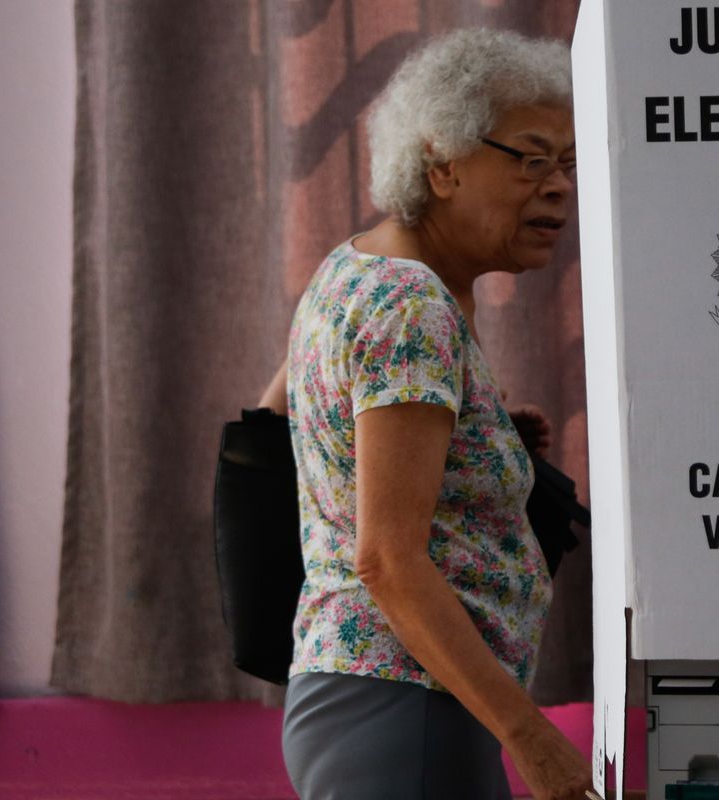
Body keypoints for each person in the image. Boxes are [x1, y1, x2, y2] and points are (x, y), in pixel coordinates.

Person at [258, 28, 590, 800]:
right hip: (400, 706)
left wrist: (483, 441)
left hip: (387, 699)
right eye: (532, 158)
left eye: (568, 165)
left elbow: (290, 414)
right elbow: (387, 559)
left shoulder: (357, 265)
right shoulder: (411, 307)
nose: (558, 186)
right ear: (440, 163)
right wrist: (532, 737)